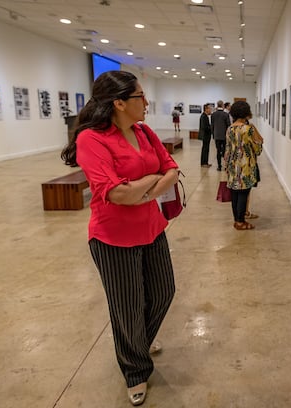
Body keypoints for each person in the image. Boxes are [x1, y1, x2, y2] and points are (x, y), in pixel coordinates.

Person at [60, 71, 178, 406]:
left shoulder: (144, 131)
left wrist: (140, 187)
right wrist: (153, 181)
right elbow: (115, 194)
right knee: (126, 308)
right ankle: (136, 370)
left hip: (152, 229)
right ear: (119, 102)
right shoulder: (92, 140)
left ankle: (138, 341)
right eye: (141, 96)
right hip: (112, 238)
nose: (147, 103)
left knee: (163, 292)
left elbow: (171, 168)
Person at [224, 101, 263, 230]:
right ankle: (241, 222)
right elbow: (258, 149)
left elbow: (228, 150)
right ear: (246, 113)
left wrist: (227, 166)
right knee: (243, 194)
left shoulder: (229, 129)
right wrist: (259, 140)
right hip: (246, 166)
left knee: (235, 194)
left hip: (232, 165)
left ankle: (237, 220)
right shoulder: (248, 129)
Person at [211, 100, 230, 171]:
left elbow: (212, 126)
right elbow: (228, 125)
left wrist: (213, 134)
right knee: (225, 151)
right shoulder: (225, 114)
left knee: (218, 151)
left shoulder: (213, 114)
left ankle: (219, 166)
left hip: (217, 135)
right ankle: (226, 166)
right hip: (224, 136)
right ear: (222, 106)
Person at [199, 103, 213, 167]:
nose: (211, 110)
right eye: (210, 108)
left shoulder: (205, 116)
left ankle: (205, 162)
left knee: (206, 149)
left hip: (206, 135)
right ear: (206, 109)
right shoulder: (204, 116)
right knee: (205, 149)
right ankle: (203, 163)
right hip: (205, 135)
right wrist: (211, 127)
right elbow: (205, 127)